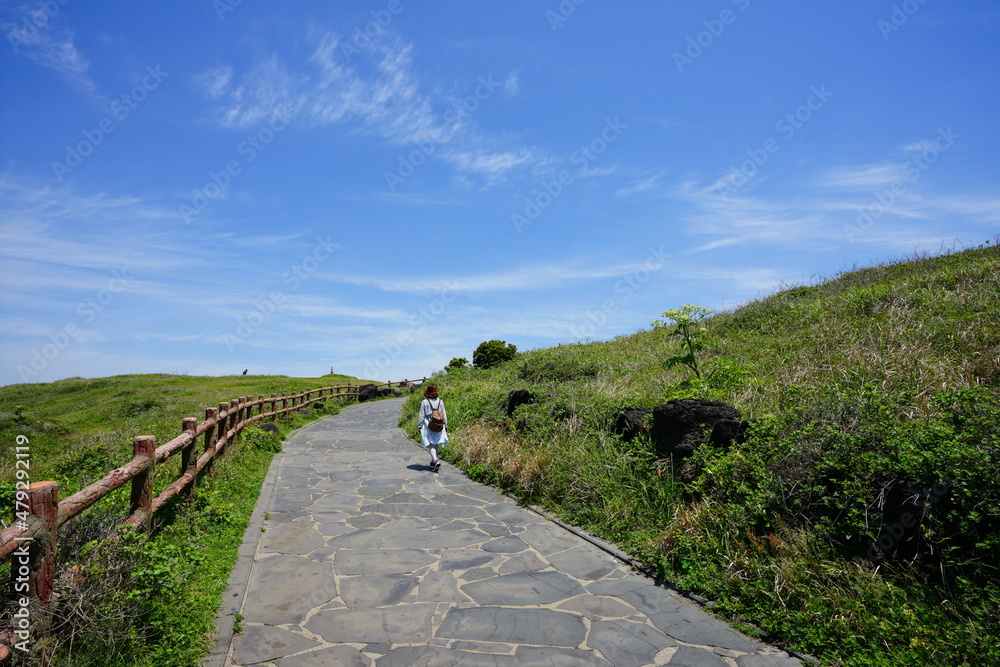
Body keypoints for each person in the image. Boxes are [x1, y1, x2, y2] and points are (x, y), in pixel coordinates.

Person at [417, 383, 448, 472]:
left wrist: (419, 425)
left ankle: (435, 460)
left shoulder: (425, 402)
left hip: (428, 423)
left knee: (431, 443)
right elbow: (444, 414)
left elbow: (421, 415)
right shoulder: (440, 401)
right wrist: (446, 424)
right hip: (439, 424)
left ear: (427, 391)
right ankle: (433, 462)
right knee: (436, 442)